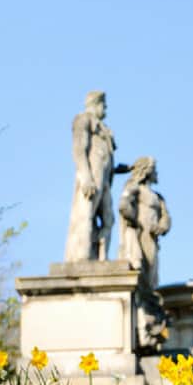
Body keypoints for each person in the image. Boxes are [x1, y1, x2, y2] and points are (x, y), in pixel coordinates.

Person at [63, 91, 128, 261]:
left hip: (104, 180)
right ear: (96, 104)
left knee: (108, 219)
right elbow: (79, 149)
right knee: (86, 214)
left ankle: (100, 256)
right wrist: (86, 177)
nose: (105, 109)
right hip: (92, 178)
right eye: (103, 106)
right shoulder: (83, 119)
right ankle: (82, 255)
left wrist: (120, 170)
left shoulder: (103, 128)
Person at [116, 156, 170, 288]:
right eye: (154, 169)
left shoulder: (158, 197)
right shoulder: (135, 187)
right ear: (146, 171)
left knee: (151, 270)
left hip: (152, 238)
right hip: (139, 233)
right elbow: (123, 204)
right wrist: (133, 220)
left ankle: (148, 296)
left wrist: (162, 226)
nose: (156, 173)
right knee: (139, 268)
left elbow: (166, 216)